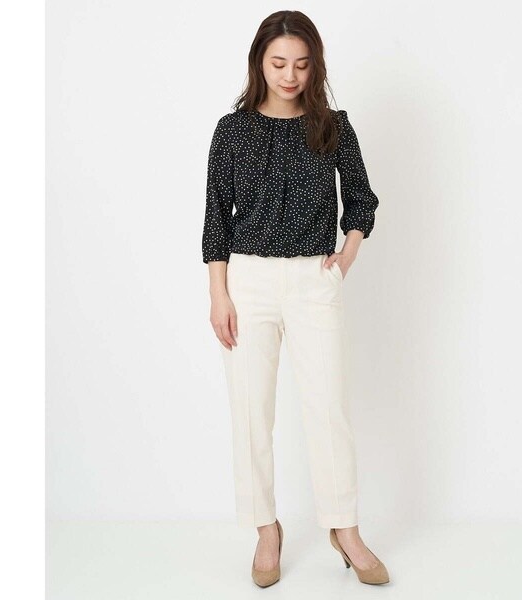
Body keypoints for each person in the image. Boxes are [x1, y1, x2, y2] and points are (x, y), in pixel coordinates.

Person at [202, 10, 390, 587]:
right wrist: (218, 294)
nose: (290, 75)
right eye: (279, 63)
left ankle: (344, 528)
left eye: (302, 65)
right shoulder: (232, 131)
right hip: (248, 283)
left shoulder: (333, 126)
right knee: (250, 411)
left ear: (316, 67)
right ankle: (266, 529)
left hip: (313, 280)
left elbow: (361, 200)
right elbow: (216, 218)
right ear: (259, 62)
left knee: (327, 407)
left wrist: (345, 258)